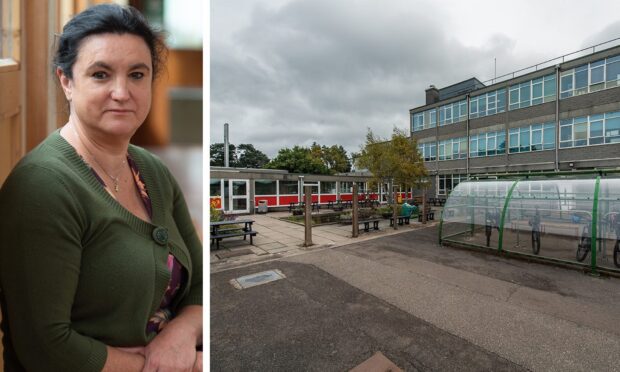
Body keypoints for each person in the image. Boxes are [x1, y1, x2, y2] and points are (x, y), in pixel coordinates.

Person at [0, 4, 202, 371]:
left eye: (137, 74)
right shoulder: (42, 187)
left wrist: (182, 334)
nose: (122, 92)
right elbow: (45, 347)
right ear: (66, 81)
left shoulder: (152, 171)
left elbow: (201, 279)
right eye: (100, 74)